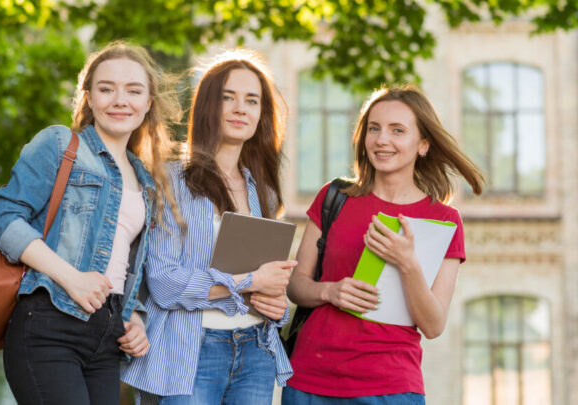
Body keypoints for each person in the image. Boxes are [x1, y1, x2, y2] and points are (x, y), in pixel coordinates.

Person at [0, 42, 181, 405]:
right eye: (106, 89)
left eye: (133, 91)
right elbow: (1, 217)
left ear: (149, 102)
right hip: (49, 326)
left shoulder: (144, 178)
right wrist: (71, 278)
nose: (120, 100)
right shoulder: (60, 144)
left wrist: (136, 318)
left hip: (107, 339)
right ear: (88, 98)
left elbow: (125, 265)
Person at [283, 85, 485, 405]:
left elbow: (433, 325)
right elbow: (296, 286)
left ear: (423, 144)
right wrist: (329, 291)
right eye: (374, 129)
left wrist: (407, 264)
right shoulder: (334, 198)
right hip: (310, 381)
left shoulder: (443, 220)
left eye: (397, 130)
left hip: (390, 388)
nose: (382, 140)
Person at [122, 50, 294, 404]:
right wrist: (248, 283)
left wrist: (275, 304)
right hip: (192, 351)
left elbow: (265, 283)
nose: (240, 109)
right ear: (208, 107)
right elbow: (165, 283)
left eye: (251, 100)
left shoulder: (264, 191)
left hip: (256, 351)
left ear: (261, 114)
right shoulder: (170, 180)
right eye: (228, 97)